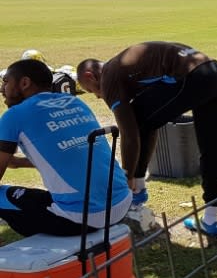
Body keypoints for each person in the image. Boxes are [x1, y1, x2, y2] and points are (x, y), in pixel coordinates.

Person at [77, 42, 217, 236]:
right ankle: (211, 220)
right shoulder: (123, 67)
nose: (98, 97)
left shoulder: (109, 77)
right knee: (214, 148)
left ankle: (137, 193)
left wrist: (128, 175)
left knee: (138, 120)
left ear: (89, 76)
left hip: (193, 77)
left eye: (92, 91)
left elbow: (130, 134)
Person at [0, 59, 130, 237]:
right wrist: (17, 162)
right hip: (122, 202)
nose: (2, 89)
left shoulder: (14, 116)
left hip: (82, 218)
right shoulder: (75, 102)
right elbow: (70, 153)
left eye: (6, 82)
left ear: (24, 83)